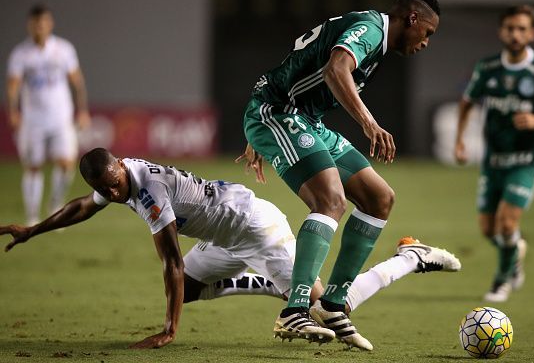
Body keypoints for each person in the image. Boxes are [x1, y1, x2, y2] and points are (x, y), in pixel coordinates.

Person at [0, 148, 461, 349]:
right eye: (107, 188)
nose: (113, 193)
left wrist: (168, 330)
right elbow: (84, 205)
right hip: (224, 234)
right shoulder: (118, 179)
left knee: (327, 308)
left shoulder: (149, 191)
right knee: (195, 291)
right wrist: (32, 230)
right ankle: (280, 293)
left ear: (122, 166)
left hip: (255, 227)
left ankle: (410, 257)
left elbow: (173, 264)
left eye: (116, 184)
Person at [237, 0, 440, 349]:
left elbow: (300, 67)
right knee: (330, 200)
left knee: (379, 198)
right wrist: (369, 124)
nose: (426, 42)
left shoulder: (375, 43)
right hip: (279, 113)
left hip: (305, 119)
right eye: (428, 32)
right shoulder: (372, 28)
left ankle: (332, 305)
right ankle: (294, 310)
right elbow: (335, 69)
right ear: (412, 19)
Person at [454, 5, 534, 302]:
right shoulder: (488, 67)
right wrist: (459, 141)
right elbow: (467, 102)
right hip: (494, 158)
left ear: (532, 33)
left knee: (507, 223)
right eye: (510, 28)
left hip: (527, 157)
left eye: (521, 29)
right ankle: (515, 251)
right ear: (501, 31)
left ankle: (502, 281)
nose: (515, 34)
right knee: (487, 229)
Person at [5, 3, 90, 226]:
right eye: (35, 24)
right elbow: (13, 85)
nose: (39, 28)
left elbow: (77, 82)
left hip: (61, 118)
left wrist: (82, 110)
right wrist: (13, 110)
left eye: (43, 23)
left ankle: (55, 203)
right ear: (29, 26)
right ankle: (32, 216)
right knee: (33, 166)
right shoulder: (21, 54)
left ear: (50, 24)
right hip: (33, 121)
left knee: (66, 163)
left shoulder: (64, 50)